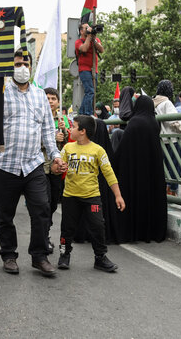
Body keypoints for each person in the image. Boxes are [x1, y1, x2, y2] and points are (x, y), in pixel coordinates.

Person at [0, 50, 66, 277]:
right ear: (11, 66)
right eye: (17, 63)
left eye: (25, 63)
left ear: (31, 66)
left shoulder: (40, 95)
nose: (22, 67)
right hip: (5, 165)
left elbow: (47, 131)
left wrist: (56, 156)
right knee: (5, 214)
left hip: (33, 164)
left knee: (42, 209)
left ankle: (39, 256)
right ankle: (9, 255)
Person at [57, 115, 125, 272]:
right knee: (67, 228)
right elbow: (57, 167)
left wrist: (118, 195)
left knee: (97, 226)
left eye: (73, 127)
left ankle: (100, 258)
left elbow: (109, 173)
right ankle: (64, 255)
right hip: (70, 196)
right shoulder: (67, 148)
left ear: (82, 131)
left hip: (92, 197)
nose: (70, 129)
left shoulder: (98, 150)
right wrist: (57, 168)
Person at [110, 95, 167, 243]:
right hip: (151, 170)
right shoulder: (154, 123)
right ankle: (150, 231)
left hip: (134, 171)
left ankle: (135, 231)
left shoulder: (134, 123)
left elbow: (123, 149)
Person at [42, 87, 69, 253]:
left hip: (56, 168)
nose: (51, 101)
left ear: (58, 102)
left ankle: (45, 233)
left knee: (52, 203)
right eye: (48, 98)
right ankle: (43, 237)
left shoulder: (62, 119)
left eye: (53, 98)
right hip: (41, 167)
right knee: (43, 203)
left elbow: (66, 144)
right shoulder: (38, 117)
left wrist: (64, 133)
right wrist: (52, 137)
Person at [153, 80, 181, 196]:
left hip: (160, 139)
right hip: (172, 139)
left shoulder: (153, 102)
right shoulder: (167, 103)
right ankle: (172, 190)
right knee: (175, 166)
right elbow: (174, 121)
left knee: (163, 167)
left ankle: (164, 189)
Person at [75, 23, 104, 116]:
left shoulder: (95, 40)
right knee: (90, 91)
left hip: (94, 70)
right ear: (81, 31)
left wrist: (94, 38)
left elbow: (101, 49)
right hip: (84, 69)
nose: (88, 29)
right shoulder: (78, 42)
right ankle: (87, 113)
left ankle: (82, 112)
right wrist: (88, 37)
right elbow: (84, 49)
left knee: (91, 92)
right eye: (86, 28)